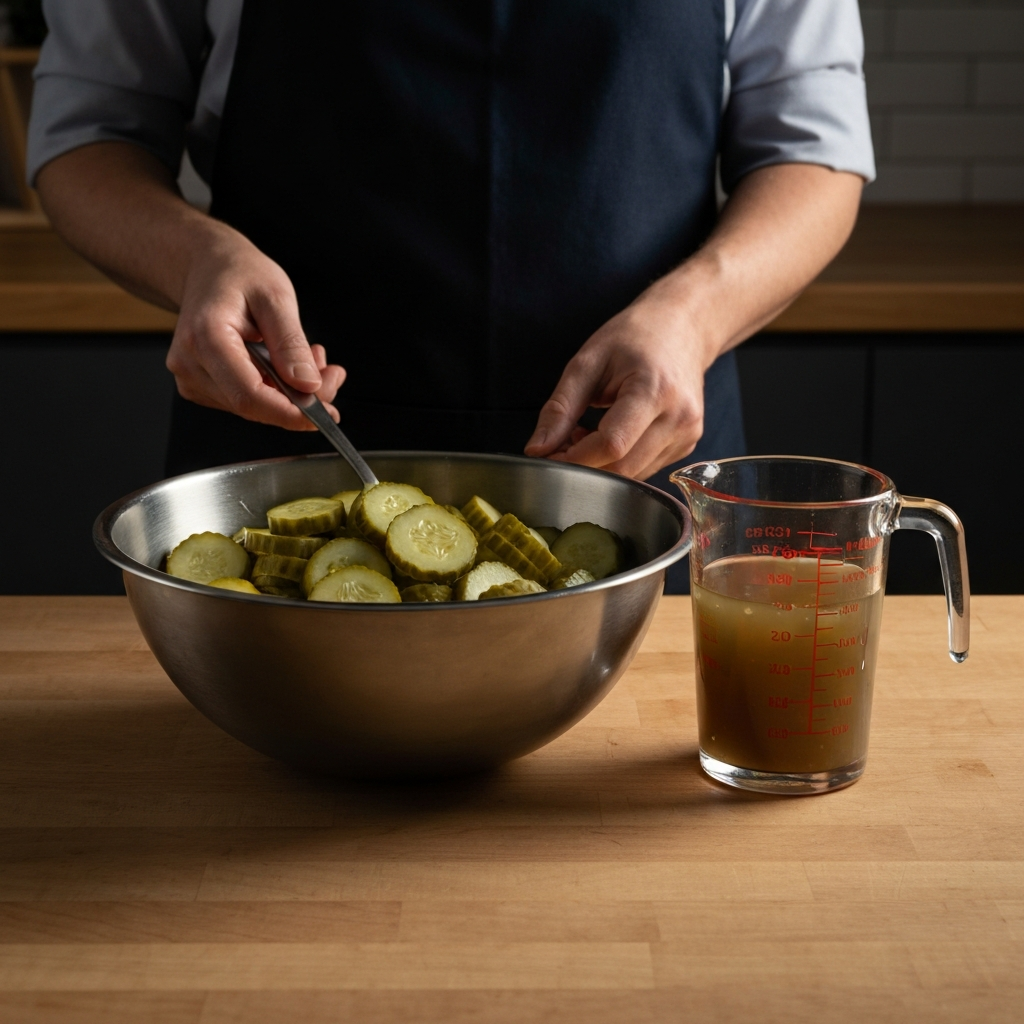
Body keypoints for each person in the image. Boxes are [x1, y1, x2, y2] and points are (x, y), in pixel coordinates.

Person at [28, 0, 873, 590]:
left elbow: (815, 154)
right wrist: (194, 258)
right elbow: (88, 136)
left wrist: (692, 317)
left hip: (641, 466)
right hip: (285, 465)